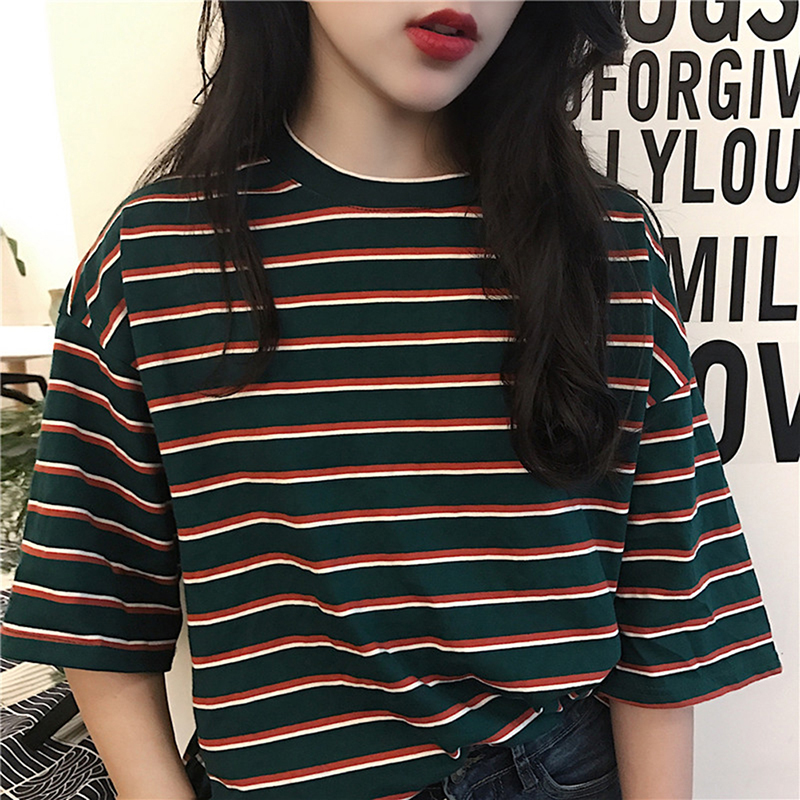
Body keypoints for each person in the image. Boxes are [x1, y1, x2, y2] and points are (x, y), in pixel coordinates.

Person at [0, 2, 783, 799]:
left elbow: (663, 602)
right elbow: (96, 599)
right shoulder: (153, 261)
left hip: (546, 768)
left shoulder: (602, 246)